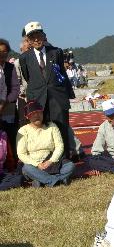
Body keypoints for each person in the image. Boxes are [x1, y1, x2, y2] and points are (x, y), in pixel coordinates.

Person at [19, 21, 75, 156]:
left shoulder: (56, 52)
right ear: (28, 40)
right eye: (32, 37)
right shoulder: (24, 58)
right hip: (38, 100)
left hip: (57, 97)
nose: (37, 39)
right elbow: (28, 78)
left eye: (39, 35)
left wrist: (68, 94)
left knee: (61, 128)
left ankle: (64, 160)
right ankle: (47, 161)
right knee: (42, 130)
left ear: (44, 35)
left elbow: (61, 72)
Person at [17, 100, 75, 187]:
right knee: (27, 168)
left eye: (39, 113)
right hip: (34, 165)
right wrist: (37, 164)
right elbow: (21, 154)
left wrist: (51, 161)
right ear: (28, 117)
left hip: (52, 162)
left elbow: (59, 146)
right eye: (33, 114)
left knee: (70, 166)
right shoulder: (23, 131)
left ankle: (41, 180)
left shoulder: (52, 126)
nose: (37, 116)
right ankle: (57, 180)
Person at [0, 39, 20, 157]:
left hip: (9, 107)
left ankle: (14, 162)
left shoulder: (10, 67)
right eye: (0, 51)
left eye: (5, 51)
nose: (2, 54)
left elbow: (15, 88)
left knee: (11, 135)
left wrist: (4, 102)